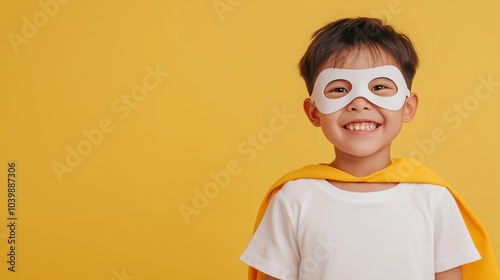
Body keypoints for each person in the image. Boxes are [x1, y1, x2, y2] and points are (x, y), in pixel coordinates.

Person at [240, 17, 500, 280]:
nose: (359, 103)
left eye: (379, 87)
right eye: (339, 89)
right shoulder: (293, 198)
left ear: (407, 107)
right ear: (314, 111)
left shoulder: (434, 199)